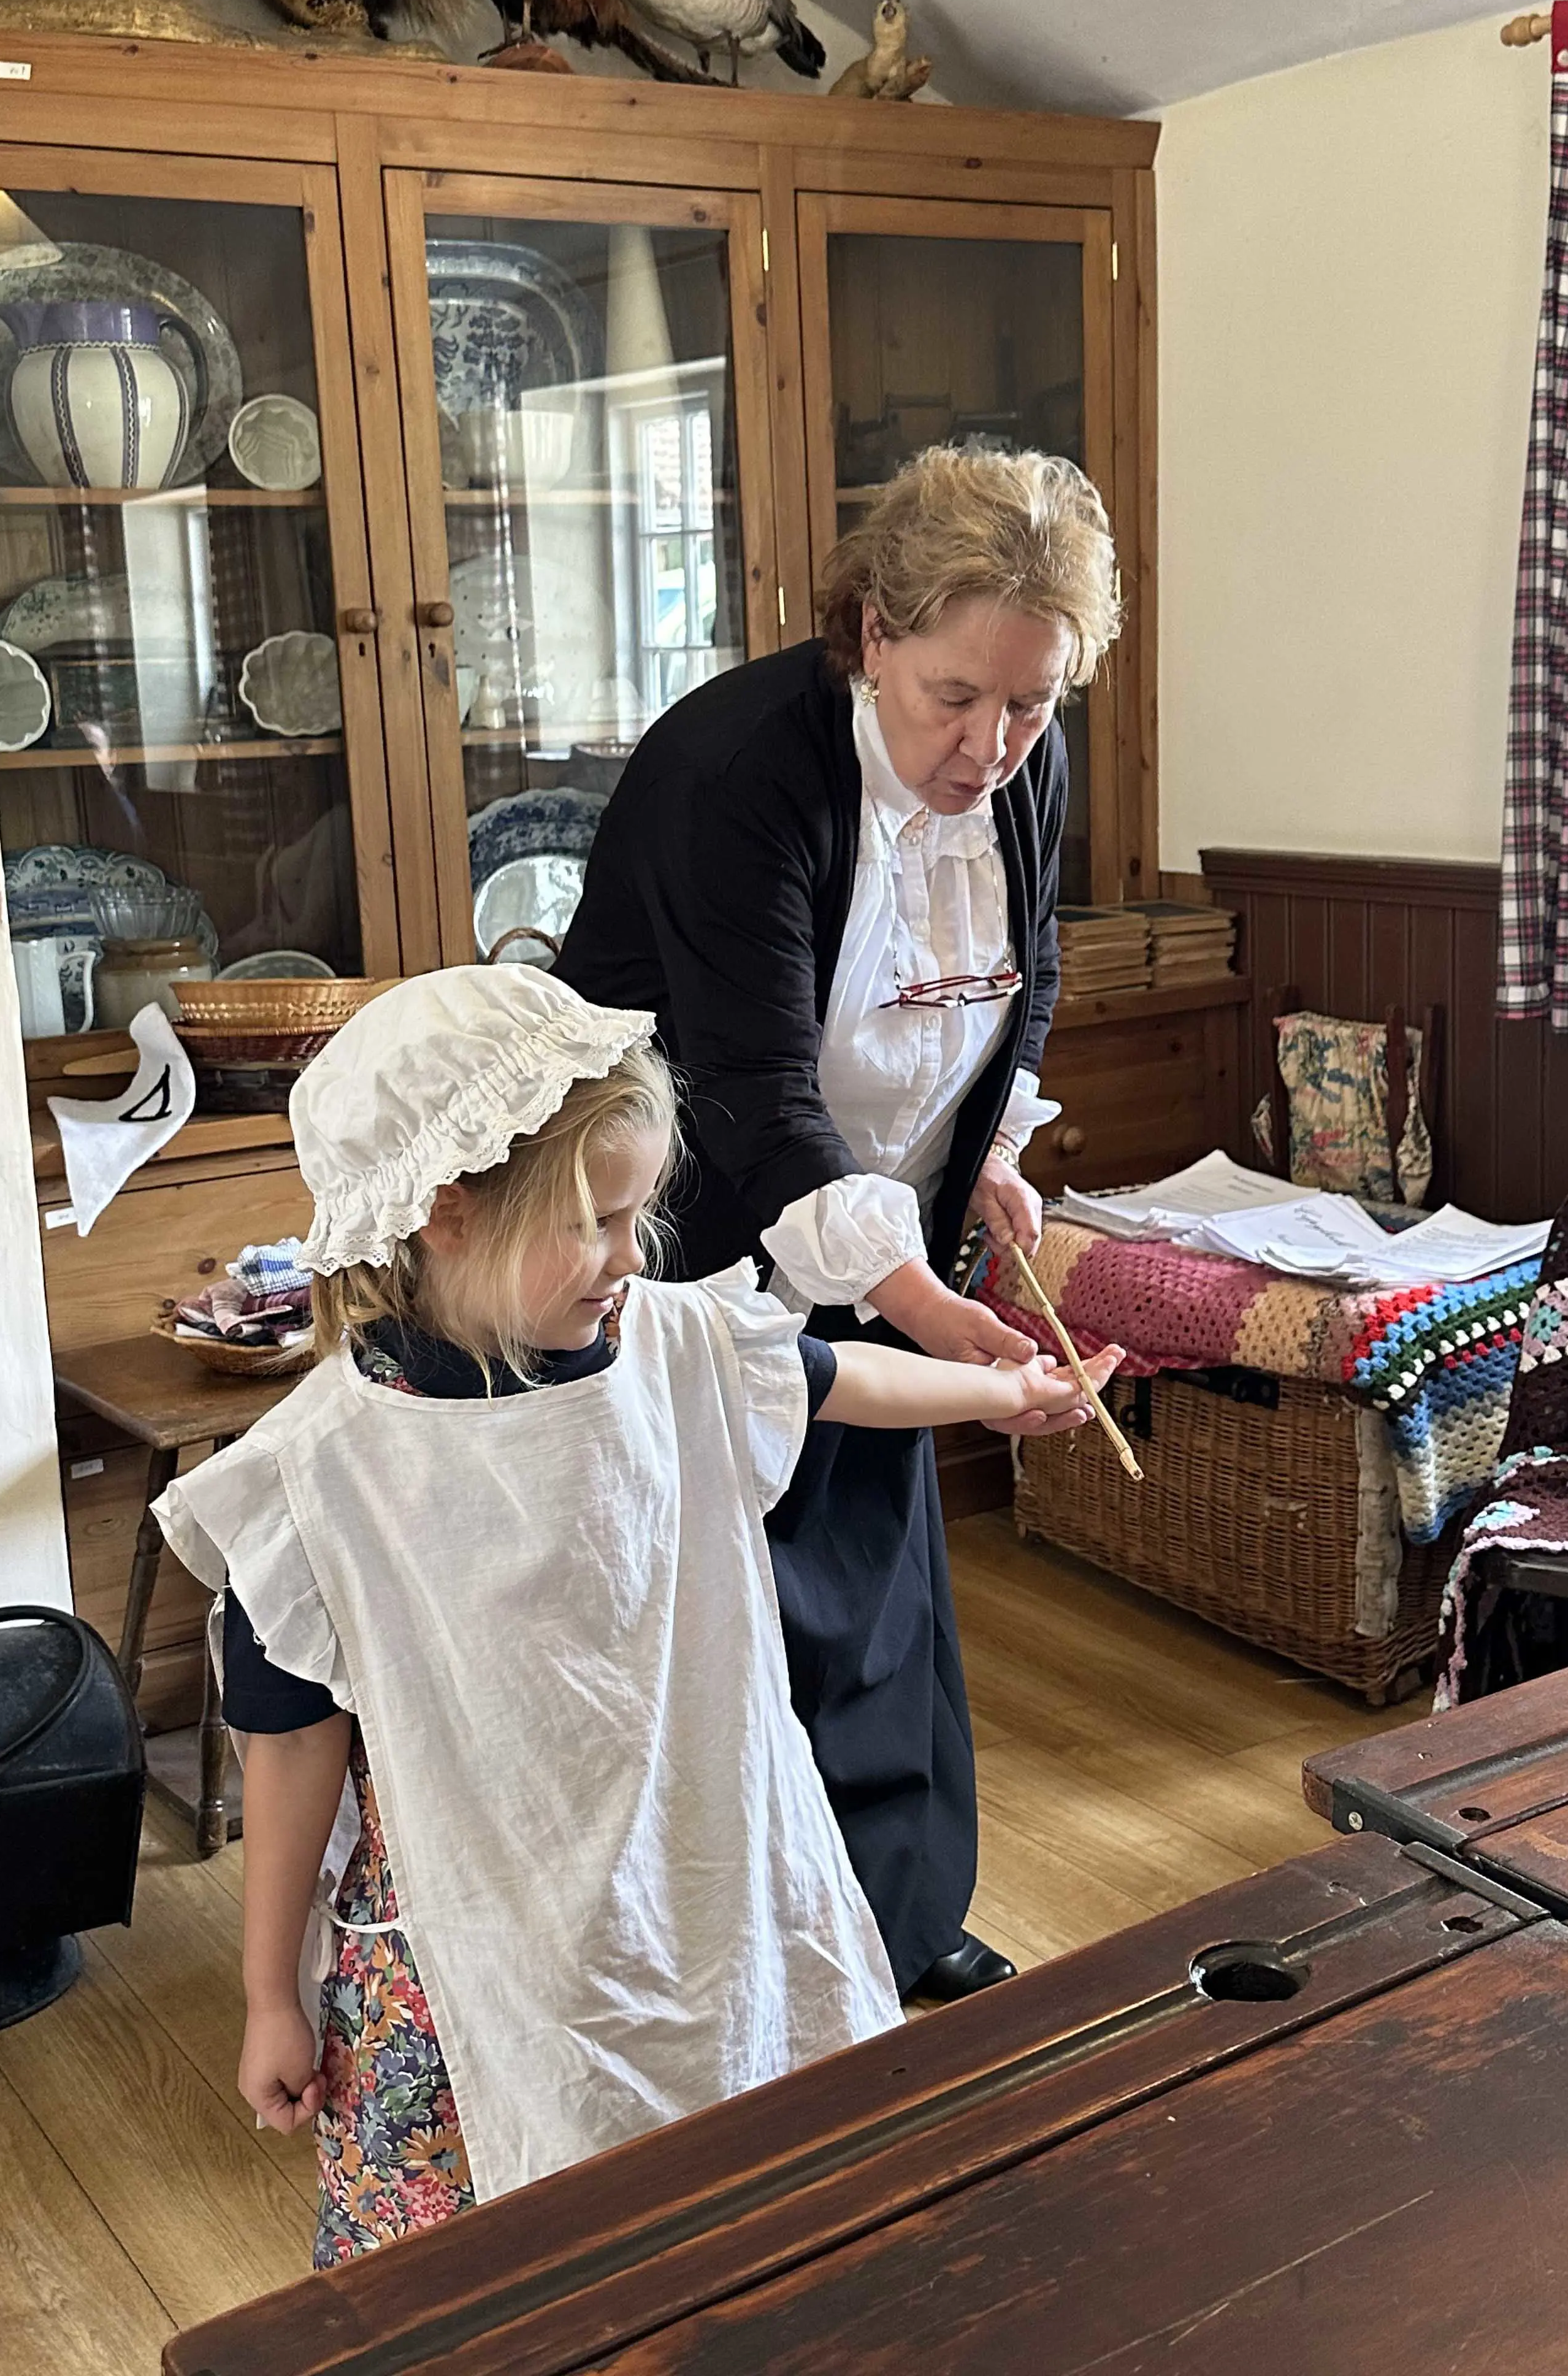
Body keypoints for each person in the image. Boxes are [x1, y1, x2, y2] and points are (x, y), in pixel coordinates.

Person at [153, 964, 1092, 2263]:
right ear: (446, 1215)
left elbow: (830, 1377)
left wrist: (1001, 1393)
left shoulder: (674, 1346)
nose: (626, 1258)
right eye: (594, 1221)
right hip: (471, 1941)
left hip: (713, 1877)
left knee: (757, 2215)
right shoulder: (318, 1477)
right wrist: (271, 1994)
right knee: (497, 2280)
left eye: (639, 1214)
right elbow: (290, 1749)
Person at [556, 445, 1124, 2003]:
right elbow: (743, 1085)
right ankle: (724, 1951)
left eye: (1031, 704)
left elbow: (1028, 973)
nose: (993, 745)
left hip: (880, 1196)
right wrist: (921, 1302)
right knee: (719, 1584)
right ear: (871, 630)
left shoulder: (1020, 749)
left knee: (874, 1556)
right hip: (675, 1203)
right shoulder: (740, 770)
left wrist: (988, 1154)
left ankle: (893, 1919)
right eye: (954, 697)